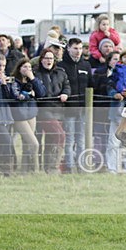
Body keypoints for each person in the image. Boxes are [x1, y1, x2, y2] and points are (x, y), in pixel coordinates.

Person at [34, 47, 70, 174]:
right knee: (60, 135)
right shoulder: (36, 73)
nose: (48, 61)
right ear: (41, 60)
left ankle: (48, 167)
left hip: (59, 109)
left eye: (51, 58)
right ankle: (54, 166)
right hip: (43, 110)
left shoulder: (60, 72)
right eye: (46, 58)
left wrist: (65, 93)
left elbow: (66, 86)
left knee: (51, 140)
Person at [61, 38, 92, 173]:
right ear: (68, 48)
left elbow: (91, 84)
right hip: (68, 109)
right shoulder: (62, 66)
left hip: (83, 108)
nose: (78, 51)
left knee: (81, 138)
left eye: (80, 48)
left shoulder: (86, 65)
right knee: (69, 138)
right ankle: (69, 166)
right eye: (75, 48)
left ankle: (81, 165)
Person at [10, 58, 46, 172]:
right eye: (25, 67)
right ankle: (36, 169)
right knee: (34, 143)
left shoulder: (32, 80)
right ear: (19, 68)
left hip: (31, 113)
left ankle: (24, 170)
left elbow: (41, 93)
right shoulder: (14, 81)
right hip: (19, 116)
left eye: (29, 67)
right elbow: (17, 96)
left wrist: (33, 79)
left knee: (27, 144)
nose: (27, 69)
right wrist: (29, 94)